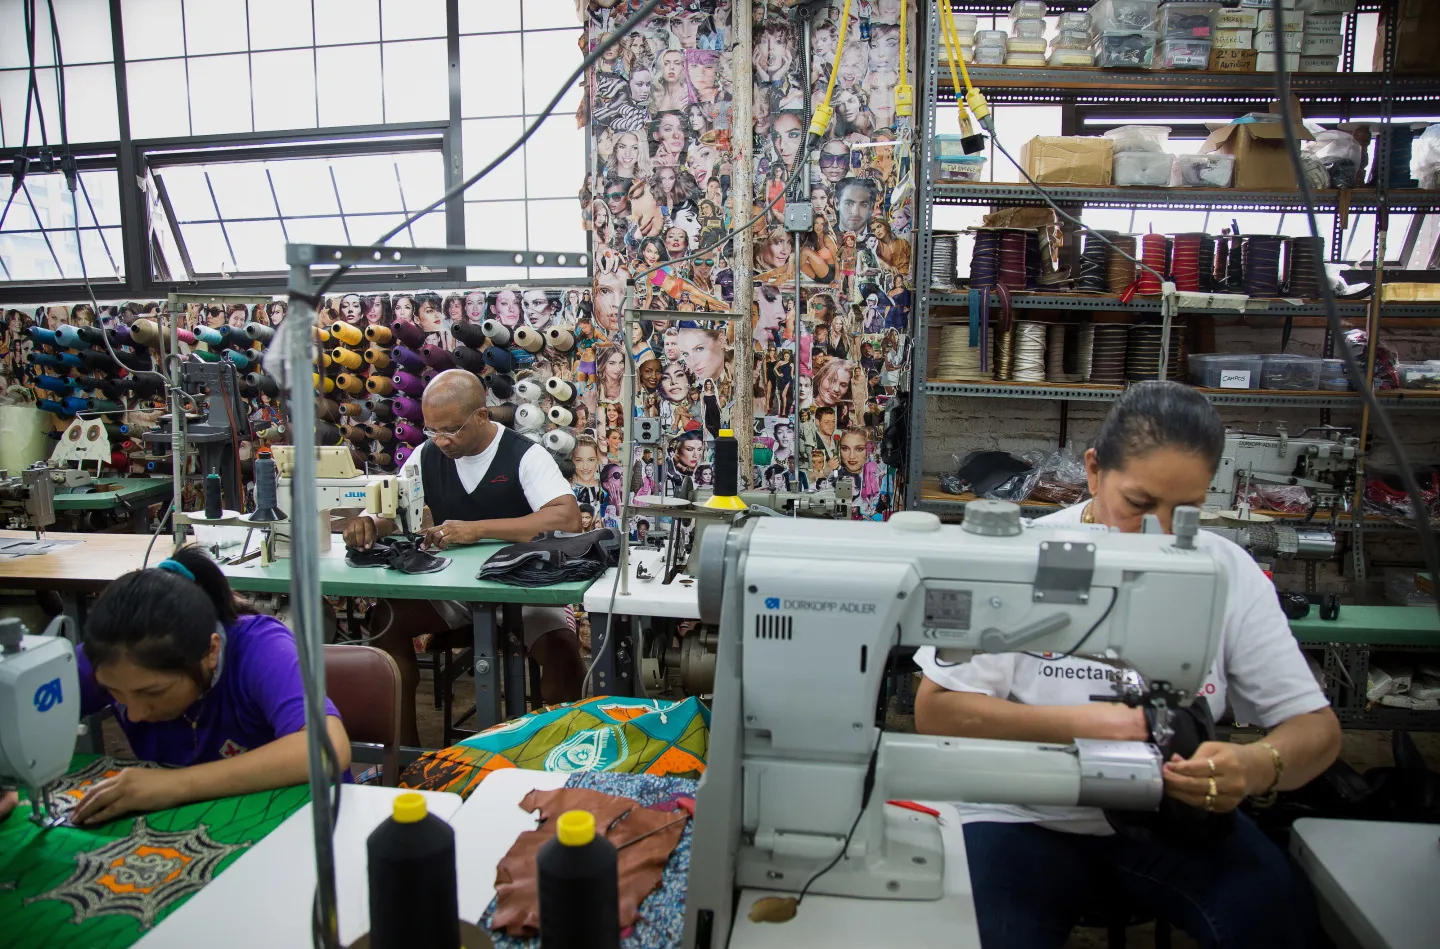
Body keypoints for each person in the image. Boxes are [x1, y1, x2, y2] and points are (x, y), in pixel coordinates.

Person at [913, 382, 1340, 949]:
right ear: (1094, 471)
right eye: (1138, 505)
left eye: (1186, 511)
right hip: (1022, 813)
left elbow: (1318, 730)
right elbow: (936, 711)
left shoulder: (1225, 572)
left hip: (1172, 816)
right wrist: (1092, 726)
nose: (1162, 532)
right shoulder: (1024, 557)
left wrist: (1258, 765)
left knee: (1277, 921)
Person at [342, 372, 584, 743]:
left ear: (482, 417)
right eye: (431, 430)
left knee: (564, 655)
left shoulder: (525, 455)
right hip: (456, 587)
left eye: (451, 430)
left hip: (525, 584)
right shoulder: (427, 455)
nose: (441, 440)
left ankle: (567, 759)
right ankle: (403, 759)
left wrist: (478, 529)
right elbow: (396, 508)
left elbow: (565, 517)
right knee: (386, 621)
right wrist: (372, 522)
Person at [61, 547, 350, 826]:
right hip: (203, 818)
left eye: (152, 693)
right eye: (115, 695)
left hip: (305, 823)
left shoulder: (261, 649)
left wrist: (175, 784)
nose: (134, 714)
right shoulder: (114, 658)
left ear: (211, 652)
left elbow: (327, 751)